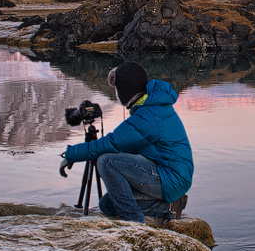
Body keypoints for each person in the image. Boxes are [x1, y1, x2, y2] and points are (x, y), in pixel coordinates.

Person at [59, 61, 192, 223]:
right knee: (108, 205)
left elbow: (111, 143)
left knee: (106, 161)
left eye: (117, 89)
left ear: (125, 90)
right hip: (170, 174)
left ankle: (135, 222)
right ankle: (168, 206)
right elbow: (124, 146)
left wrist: (72, 154)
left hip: (171, 177)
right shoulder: (152, 106)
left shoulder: (147, 116)